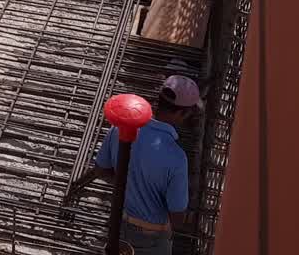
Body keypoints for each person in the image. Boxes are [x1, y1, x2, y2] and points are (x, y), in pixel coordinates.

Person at [66, 75, 203, 255]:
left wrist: (130, 184)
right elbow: (177, 217)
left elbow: (101, 169)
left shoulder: (120, 128)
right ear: (182, 113)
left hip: (117, 225)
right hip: (151, 239)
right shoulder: (176, 158)